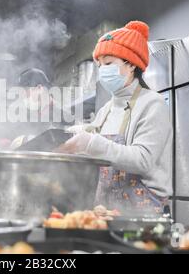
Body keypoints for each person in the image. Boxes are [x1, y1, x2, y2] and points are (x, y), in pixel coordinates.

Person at [57, 21, 173, 216]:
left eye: (109, 63)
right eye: (100, 65)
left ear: (131, 64)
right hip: (106, 212)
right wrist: (67, 144)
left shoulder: (153, 104)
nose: (103, 70)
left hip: (143, 215)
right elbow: (93, 146)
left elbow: (142, 160)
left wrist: (91, 143)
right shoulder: (107, 109)